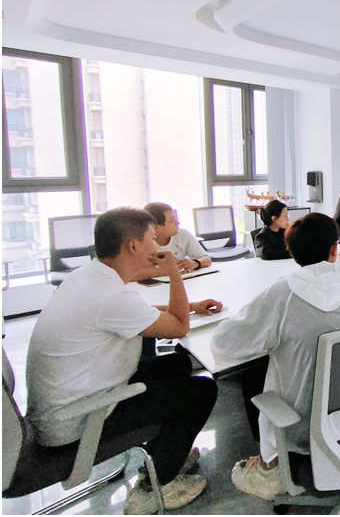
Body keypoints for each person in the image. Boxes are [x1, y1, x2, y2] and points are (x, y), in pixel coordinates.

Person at [25, 208, 222, 514]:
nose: (158, 247)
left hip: (70, 399)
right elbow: (178, 326)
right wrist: (173, 271)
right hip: (80, 418)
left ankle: (165, 454)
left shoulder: (89, 277)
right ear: (133, 245)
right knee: (202, 390)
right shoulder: (110, 295)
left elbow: (132, 313)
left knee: (178, 365)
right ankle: (156, 487)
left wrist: (192, 304)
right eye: (152, 239)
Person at [212, 213, 340, 501]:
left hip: (304, 429)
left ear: (292, 253)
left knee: (255, 372)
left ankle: (269, 467)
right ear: (334, 248)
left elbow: (224, 345)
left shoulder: (282, 294)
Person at [144, 202, 212, 273]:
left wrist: (194, 263)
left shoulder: (182, 235)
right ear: (154, 226)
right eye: (173, 221)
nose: (178, 223)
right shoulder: (142, 242)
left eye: (177, 219)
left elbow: (206, 259)